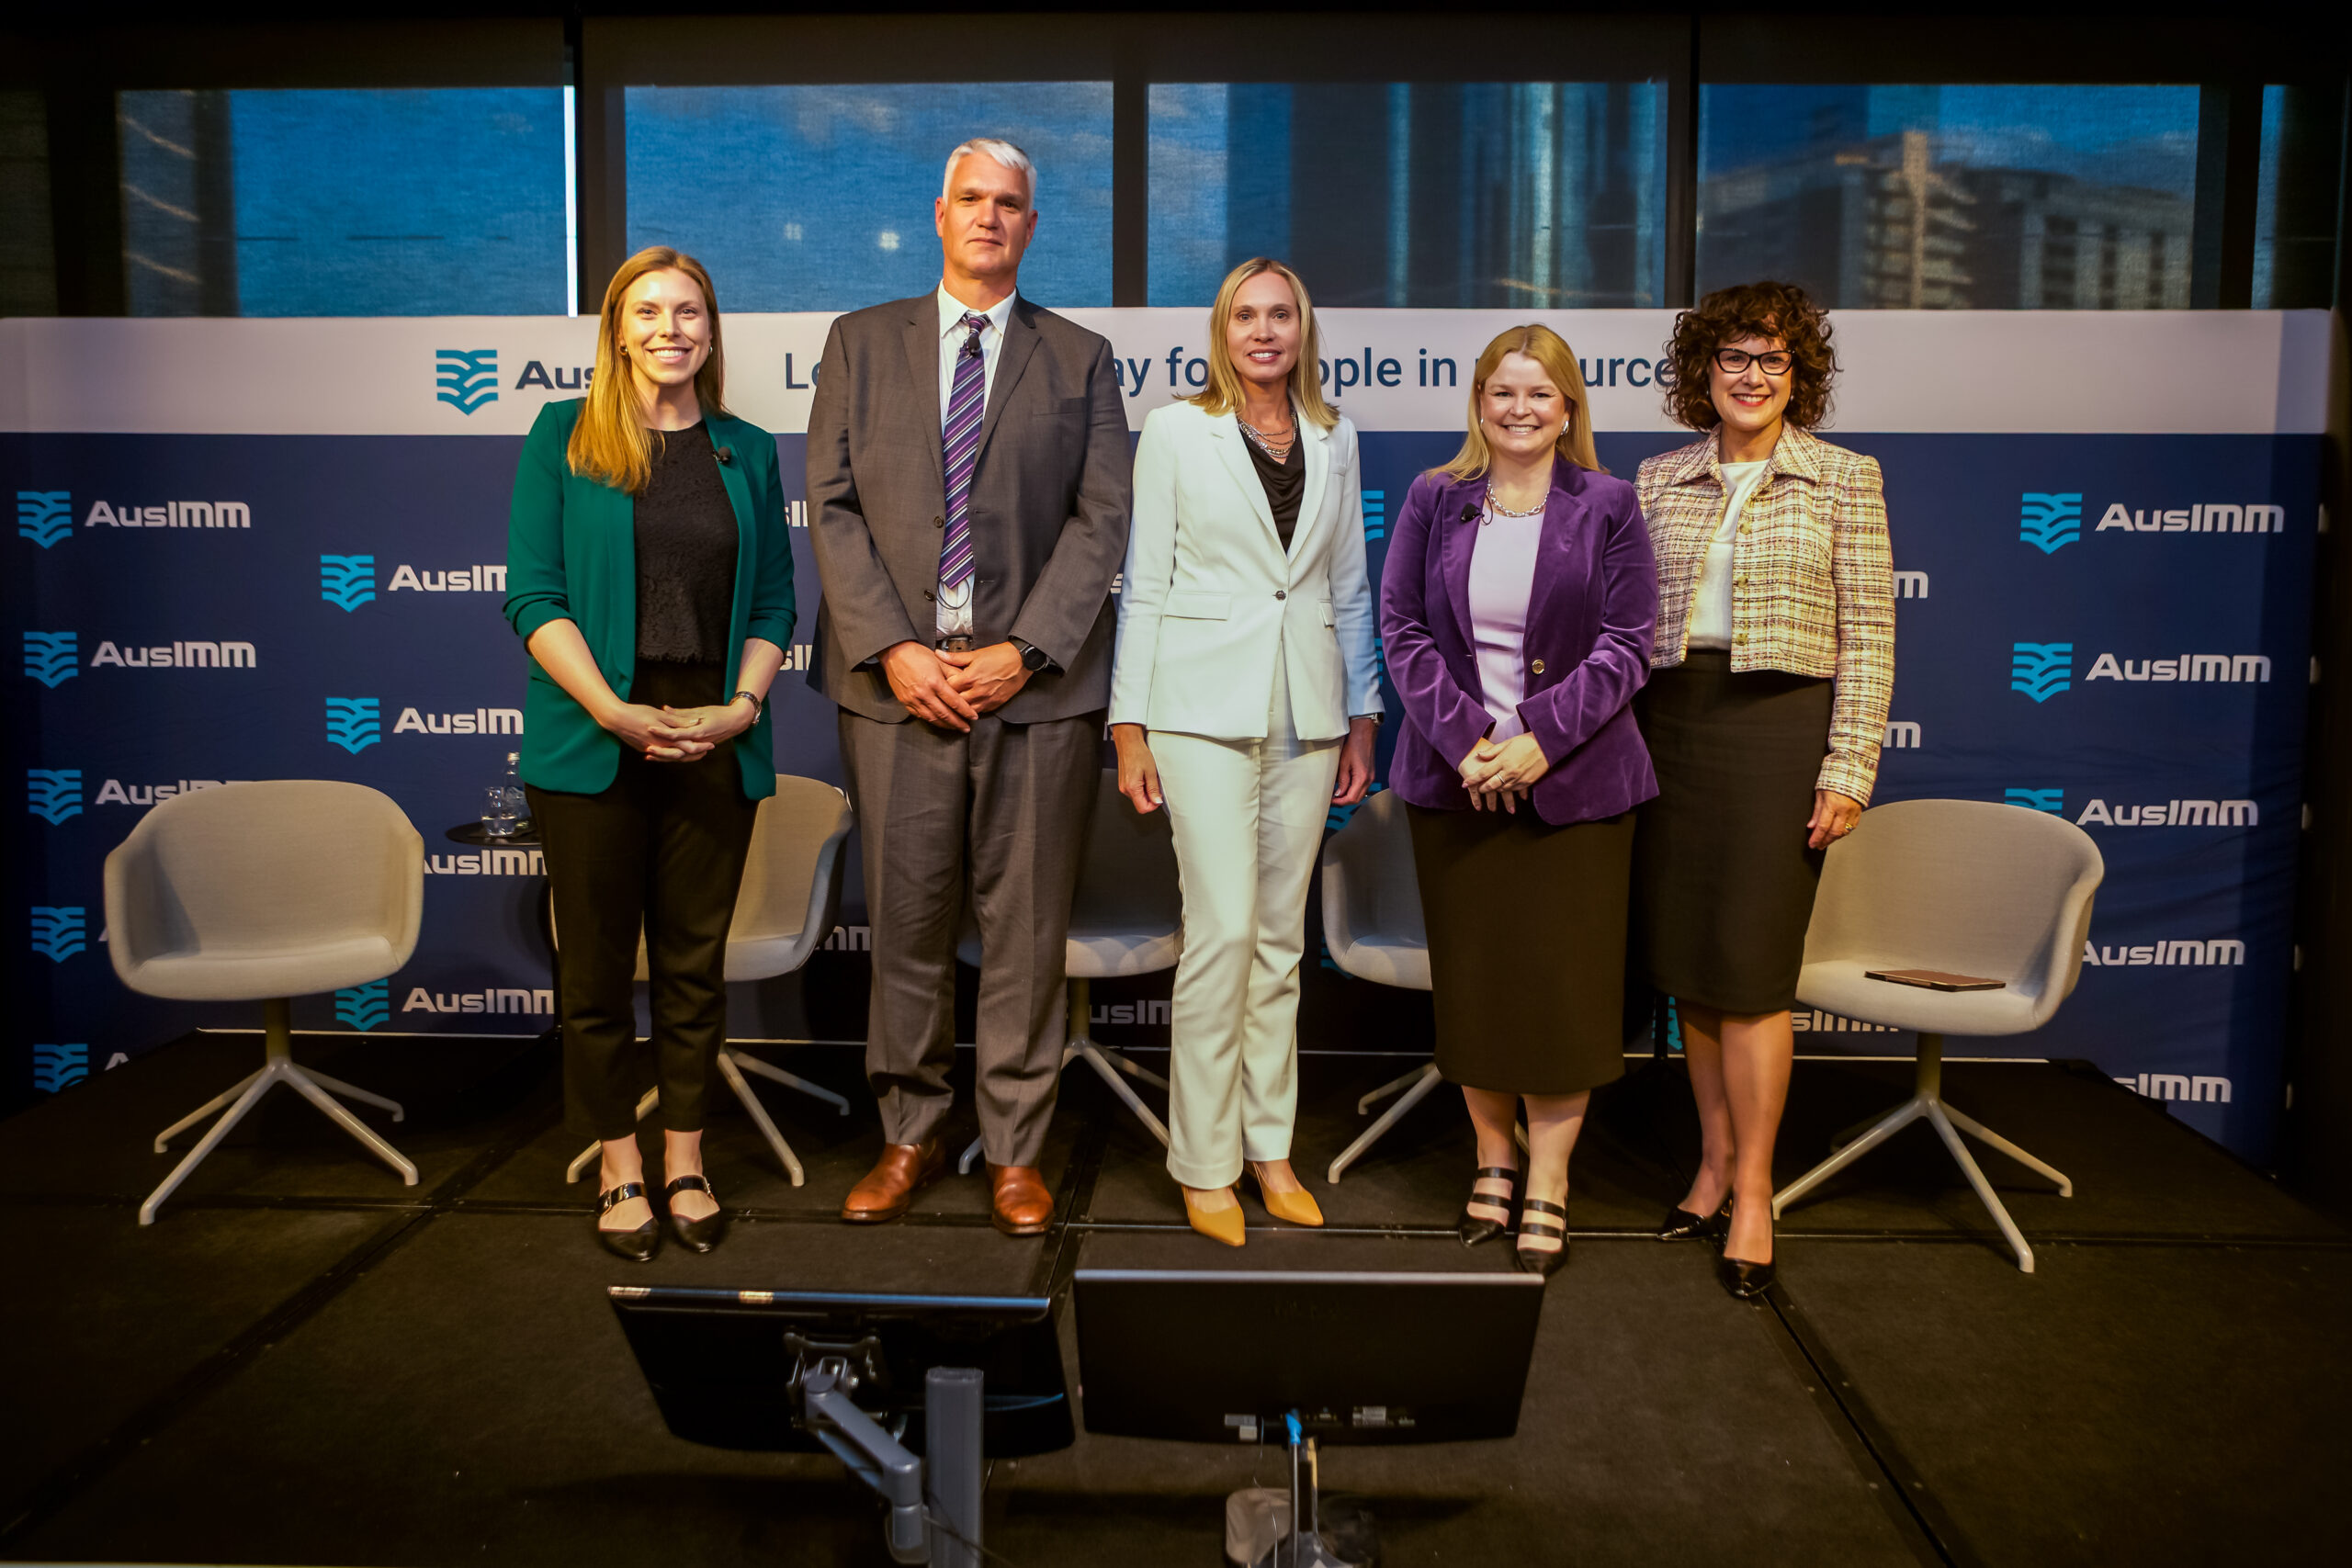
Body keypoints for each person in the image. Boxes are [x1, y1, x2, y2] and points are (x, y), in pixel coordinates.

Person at [806, 138, 1130, 1238]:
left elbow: (1100, 521)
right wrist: (893, 647)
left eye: (1011, 204)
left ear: (1031, 227)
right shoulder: (858, 344)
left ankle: (1017, 1151)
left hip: (1033, 696)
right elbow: (834, 505)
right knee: (903, 928)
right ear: (937, 214)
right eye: (972, 201)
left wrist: (1026, 650)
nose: (990, 218)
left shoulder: (1081, 358)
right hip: (895, 688)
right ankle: (907, 1134)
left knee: (1026, 933)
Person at [504, 246, 796, 1262]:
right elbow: (533, 598)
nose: (670, 329)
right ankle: (618, 1164)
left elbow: (772, 604)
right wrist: (616, 712)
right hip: (593, 738)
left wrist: (743, 706)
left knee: (690, 968)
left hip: (713, 735)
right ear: (616, 329)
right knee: (592, 973)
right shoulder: (562, 436)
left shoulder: (747, 450)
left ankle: (685, 1158)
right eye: (649, 312)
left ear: (712, 332)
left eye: (690, 312)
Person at [1109, 259, 1381, 1247]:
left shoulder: (1335, 434)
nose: (1263, 331)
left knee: (1277, 942)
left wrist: (1364, 712)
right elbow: (1144, 580)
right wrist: (1128, 722)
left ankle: (1270, 1148)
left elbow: (1348, 584)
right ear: (1221, 332)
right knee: (1220, 931)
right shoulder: (1180, 430)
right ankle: (1204, 1162)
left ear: (1302, 330)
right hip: (1194, 710)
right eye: (1245, 316)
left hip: (1309, 708)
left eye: (1280, 316)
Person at [1380, 325, 1658, 1278]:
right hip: (1456, 792)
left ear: (1568, 408)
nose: (1519, 410)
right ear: (1478, 403)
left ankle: (1550, 1179)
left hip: (1578, 791)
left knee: (1563, 998)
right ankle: (1491, 1162)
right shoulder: (1434, 498)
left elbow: (1629, 642)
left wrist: (1539, 740)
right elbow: (1402, 629)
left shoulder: (1610, 503)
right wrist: (1469, 742)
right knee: (1481, 991)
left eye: (1539, 395)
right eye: (1502, 393)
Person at [1634, 280, 1894, 1300]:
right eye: (1732, 357)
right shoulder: (1655, 478)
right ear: (1704, 371)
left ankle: (1752, 1190)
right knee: (1693, 972)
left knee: (1750, 976)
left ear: (1800, 377)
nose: (1750, 376)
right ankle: (1707, 1162)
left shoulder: (1843, 478)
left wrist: (1849, 767)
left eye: (1771, 360)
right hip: (1671, 728)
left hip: (1780, 730)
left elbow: (1870, 634)